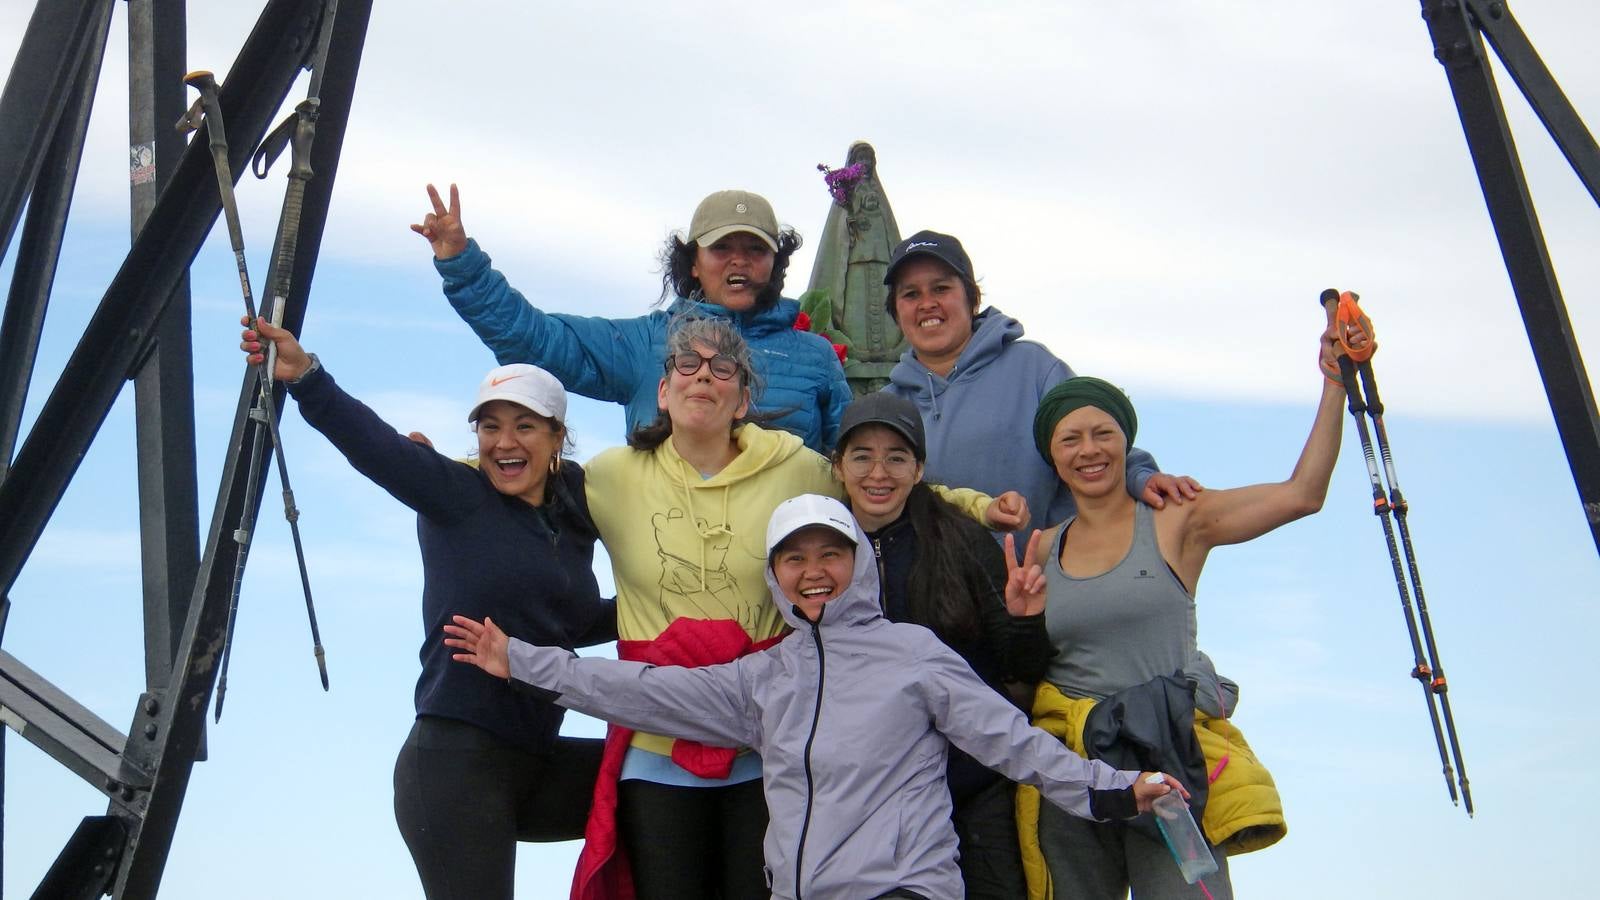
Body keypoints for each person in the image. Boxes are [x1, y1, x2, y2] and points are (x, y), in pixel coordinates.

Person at [444, 494, 1191, 900]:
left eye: (830, 552)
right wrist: (522, 661)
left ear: (858, 562)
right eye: (794, 558)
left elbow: (1012, 740)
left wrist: (1116, 789)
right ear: (776, 575)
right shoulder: (768, 677)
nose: (814, 571)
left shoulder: (913, 655)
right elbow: (643, 690)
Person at [563, 317, 1010, 900]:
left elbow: (878, 483)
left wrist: (981, 506)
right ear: (663, 391)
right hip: (658, 740)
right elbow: (519, 482)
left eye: (722, 368)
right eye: (687, 366)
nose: (704, 378)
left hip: (769, 739)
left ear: (743, 398)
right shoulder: (609, 476)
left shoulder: (796, 468)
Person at [239, 318, 615, 900]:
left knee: (655, 776)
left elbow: (571, 623)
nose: (504, 442)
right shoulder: (457, 495)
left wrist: (671, 605)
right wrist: (304, 376)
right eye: (490, 427)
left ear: (557, 437)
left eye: (524, 427)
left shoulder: (570, 521)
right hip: (456, 762)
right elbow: (377, 448)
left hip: (536, 761)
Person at [1023, 311, 1350, 900]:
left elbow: (1303, 495)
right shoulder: (1040, 549)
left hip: (1167, 756)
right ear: (1052, 456)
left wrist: (1335, 383)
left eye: (1104, 433)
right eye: (1070, 439)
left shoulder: (1176, 520)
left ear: (1128, 442)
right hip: (1076, 766)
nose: (1089, 450)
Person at [412, 184, 853, 452]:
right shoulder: (646, 343)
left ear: (775, 264)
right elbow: (533, 339)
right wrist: (461, 264)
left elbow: (850, 463)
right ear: (693, 263)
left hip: (789, 591)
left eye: (756, 250)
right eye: (721, 248)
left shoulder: (816, 358)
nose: (739, 262)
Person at [829, 391, 1049, 898]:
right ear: (838, 466)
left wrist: (1024, 620)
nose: (878, 472)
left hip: (973, 779)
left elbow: (1022, 666)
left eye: (897, 457)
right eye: (862, 455)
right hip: (868, 790)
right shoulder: (820, 547)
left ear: (920, 468)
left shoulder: (962, 540)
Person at [880, 230, 1198, 536]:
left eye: (941, 289)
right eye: (911, 294)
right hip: (937, 588)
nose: (927, 303)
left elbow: (1092, 439)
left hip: (1043, 580)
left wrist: (1142, 477)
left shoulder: (1032, 367)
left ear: (971, 298)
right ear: (896, 311)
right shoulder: (886, 405)